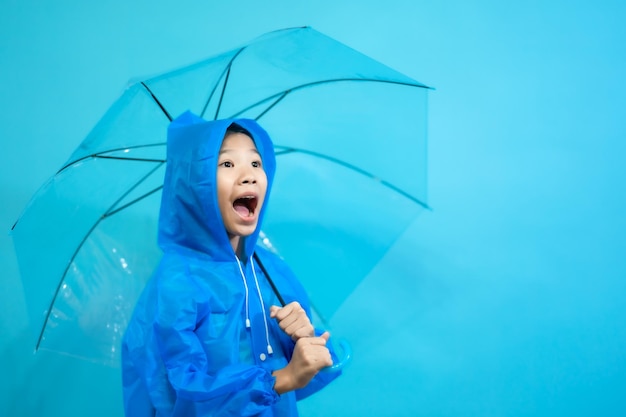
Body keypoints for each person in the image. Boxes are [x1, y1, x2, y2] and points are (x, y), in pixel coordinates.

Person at [121, 111, 341, 417]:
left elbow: (300, 379)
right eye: (226, 164)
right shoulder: (178, 281)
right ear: (195, 184)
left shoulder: (269, 269)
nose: (249, 174)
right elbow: (180, 394)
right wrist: (285, 377)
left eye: (256, 162)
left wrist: (303, 343)